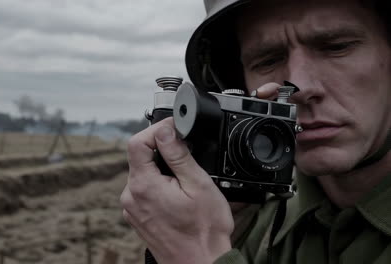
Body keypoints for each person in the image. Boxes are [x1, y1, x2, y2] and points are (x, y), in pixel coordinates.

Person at [120, 0, 391, 263]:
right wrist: (226, 234)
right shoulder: (252, 221)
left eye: (336, 47)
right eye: (267, 60)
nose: (300, 87)